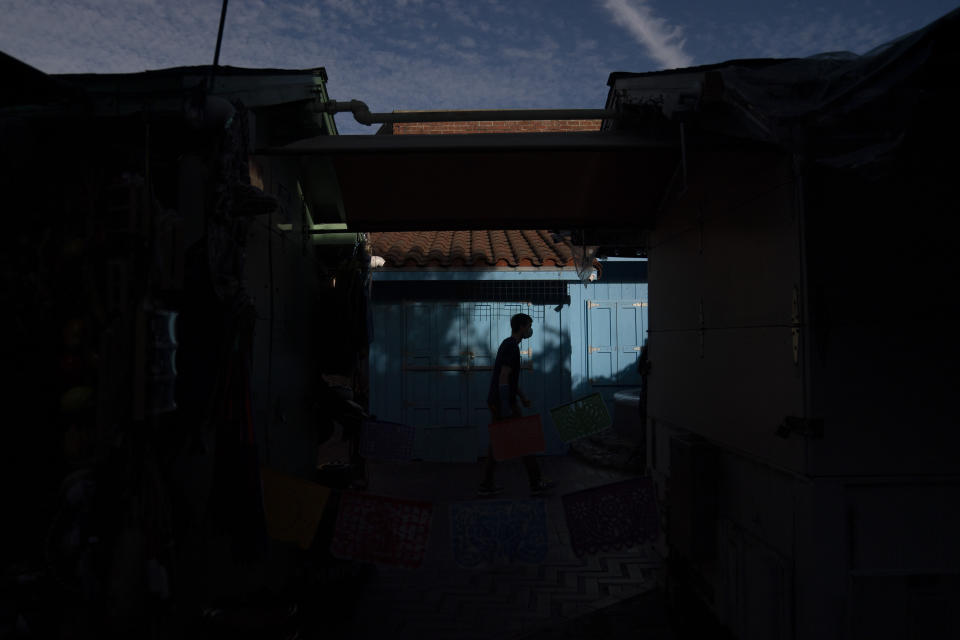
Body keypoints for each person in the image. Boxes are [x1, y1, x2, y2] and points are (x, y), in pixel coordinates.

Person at [477, 313, 557, 496]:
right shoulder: (511, 347)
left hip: (501, 401)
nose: (530, 330)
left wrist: (521, 396)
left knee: (498, 443)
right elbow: (504, 376)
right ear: (521, 327)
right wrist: (506, 406)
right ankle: (535, 482)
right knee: (524, 440)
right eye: (529, 325)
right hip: (504, 403)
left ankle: (487, 484)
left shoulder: (508, 344)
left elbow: (509, 378)